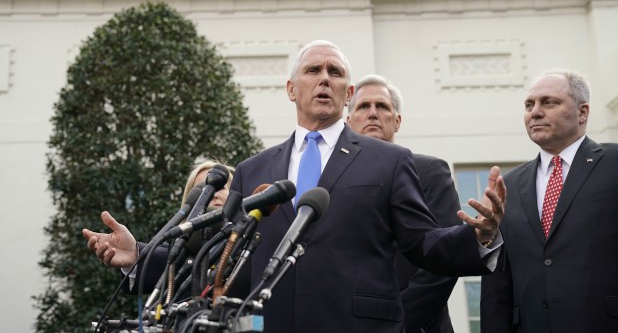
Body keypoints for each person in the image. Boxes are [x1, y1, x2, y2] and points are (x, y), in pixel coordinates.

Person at [230, 39, 506, 333]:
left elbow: (422, 241)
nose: (324, 78)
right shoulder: (252, 170)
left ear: (347, 93)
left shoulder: (390, 161)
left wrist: (477, 237)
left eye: (334, 72)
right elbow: (236, 265)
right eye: (313, 70)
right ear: (291, 89)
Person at [480, 70, 618, 332]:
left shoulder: (613, 164)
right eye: (529, 105)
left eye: (549, 102)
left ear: (582, 112)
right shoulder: (507, 185)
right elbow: (497, 284)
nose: (535, 112)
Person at [346, 74, 461, 333]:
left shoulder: (430, 172)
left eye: (382, 107)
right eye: (363, 107)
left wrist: (397, 323)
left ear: (397, 121)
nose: (372, 114)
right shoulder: (331, 181)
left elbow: (444, 261)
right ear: (348, 122)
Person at [82, 159, 234, 292]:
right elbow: (165, 260)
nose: (213, 194)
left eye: (219, 187)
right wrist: (134, 254)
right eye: (203, 190)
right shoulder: (180, 251)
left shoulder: (252, 241)